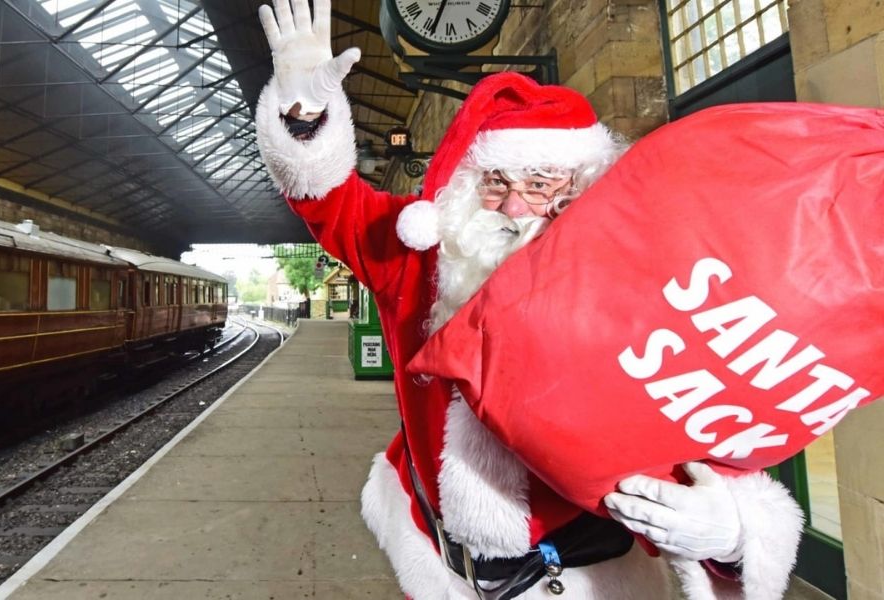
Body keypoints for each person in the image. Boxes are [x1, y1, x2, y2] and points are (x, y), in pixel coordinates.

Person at [254, 1, 803, 598]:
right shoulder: (421, 262)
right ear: (469, 186)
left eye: (541, 185)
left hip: (593, 578)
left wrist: (729, 535)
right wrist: (304, 118)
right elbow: (335, 205)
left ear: (582, 188)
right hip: (442, 574)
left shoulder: (647, 290)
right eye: (497, 183)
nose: (516, 208)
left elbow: (711, 411)